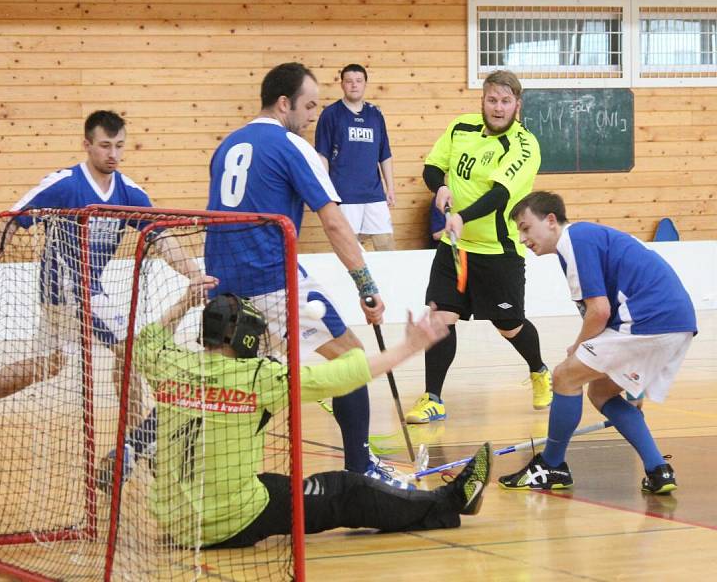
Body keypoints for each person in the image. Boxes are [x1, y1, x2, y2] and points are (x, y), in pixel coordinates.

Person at [133, 288, 492, 548]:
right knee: (345, 490)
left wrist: (184, 300)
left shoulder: (169, 365)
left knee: (272, 482)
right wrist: (409, 347)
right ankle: (450, 502)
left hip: (176, 518)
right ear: (244, 336)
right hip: (227, 520)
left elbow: (147, 340)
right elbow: (344, 376)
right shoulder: (260, 377)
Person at [0, 110, 201, 461]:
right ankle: (138, 442)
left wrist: (193, 273)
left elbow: (163, 238)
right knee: (132, 350)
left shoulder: (131, 193)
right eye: (105, 145)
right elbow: (10, 221)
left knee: (49, 364)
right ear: (87, 145)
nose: (113, 154)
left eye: (119, 146)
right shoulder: (65, 184)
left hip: (83, 290)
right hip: (67, 290)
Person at [203, 62, 394, 482]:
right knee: (351, 359)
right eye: (309, 106)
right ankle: (362, 470)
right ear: (284, 102)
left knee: (248, 379)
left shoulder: (227, 145)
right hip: (272, 278)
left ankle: (136, 445)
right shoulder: (292, 145)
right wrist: (366, 285)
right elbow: (334, 222)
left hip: (221, 281)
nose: (312, 116)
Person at [499, 191, 697, 493]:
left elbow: (599, 311)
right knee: (602, 392)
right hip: (674, 322)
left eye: (526, 228)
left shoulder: (574, 240)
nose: (523, 238)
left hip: (649, 319)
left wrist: (577, 348)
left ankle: (552, 466)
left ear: (551, 221)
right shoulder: (584, 240)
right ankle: (659, 470)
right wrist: (632, 383)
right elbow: (602, 310)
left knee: (565, 376)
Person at [405, 69, 552, 425]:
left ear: (518, 104)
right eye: (491, 100)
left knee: (509, 325)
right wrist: (438, 187)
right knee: (441, 318)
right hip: (456, 248)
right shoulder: (461, 128)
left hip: (497, 251)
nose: (498, 108)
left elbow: (500, 194)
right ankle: (433, 398)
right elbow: (432, 167)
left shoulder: (524, 145)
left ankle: (539, 370)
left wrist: (462, 217)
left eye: (505, 101)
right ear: (482, 101)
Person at [315, 63, 396, 251]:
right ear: (342, 84)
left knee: (386, 245)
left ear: (365, 84)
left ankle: (386, 281)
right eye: (349, 81)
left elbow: (385, 154)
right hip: (345, 195)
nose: (354, 85)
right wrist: (328, 191)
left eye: (359, 81)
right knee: (349, 248)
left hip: (374, 194)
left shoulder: (375, 115)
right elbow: (322, 155)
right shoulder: (330, 114)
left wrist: (390, 187)